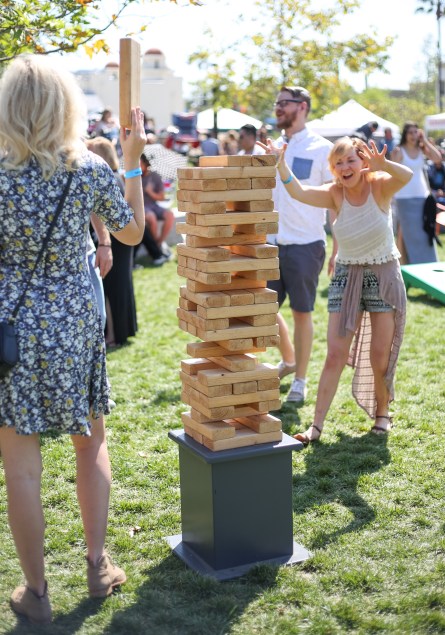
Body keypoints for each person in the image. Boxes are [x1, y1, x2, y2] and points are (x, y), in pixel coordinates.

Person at [0, 55, 146, 624]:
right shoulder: (87, 168)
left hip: (12, 329)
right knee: (90, 443)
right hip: (75, 321)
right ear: (65, 106)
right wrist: (131, 163)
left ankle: (36, 592)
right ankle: (96, 565)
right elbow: (132, 233)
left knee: (21, 468)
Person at [261, 135, 413, 443]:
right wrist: (280, 164)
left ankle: (382, 414)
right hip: (346, 274)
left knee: (379, 356)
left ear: (363, 162)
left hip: (382, 272)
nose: (344, 168)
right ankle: (316, 427)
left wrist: (385, 164)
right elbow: (298, 191)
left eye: (350, 161)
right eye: (338, 163)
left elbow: (407, 176)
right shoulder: (334, 193)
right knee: (334, 355)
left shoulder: (379, 186)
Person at [265, 85, 334, 403]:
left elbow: (335, 200)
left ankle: (300, 380)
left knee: (301, 313)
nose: (278, 107)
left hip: (306, 244)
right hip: (268, 244)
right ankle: (289, 360)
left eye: (285, 103)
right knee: (263, 308)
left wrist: (338, 247)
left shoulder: (323, 148)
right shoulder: (271, 147)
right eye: (277, 102)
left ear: (302, 106)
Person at [86, 137, 138, 347]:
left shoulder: (108, 178)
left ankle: (114, 335)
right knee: (120, 286)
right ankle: (121, 331)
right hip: (118, 239)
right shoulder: (116, 177)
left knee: (113, 288)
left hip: (115, 240)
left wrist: (103, 241)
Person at [391, 122, 442, 264]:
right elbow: (393, 172)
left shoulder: (421, 149)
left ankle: (428, 263)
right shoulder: (399, 151)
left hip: (422, 197)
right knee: (409, 234)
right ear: (405, 134)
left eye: (415, 132)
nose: (413, 135)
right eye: (410, 132)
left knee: (426, 232)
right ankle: (409, 265)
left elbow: (438, 158)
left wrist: (424, 140)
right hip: (403, 198)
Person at [140, 152, 174, 256]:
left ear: (146, 163)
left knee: (170, 215)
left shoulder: (155, 176)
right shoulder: (133, 177)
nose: (138, 167)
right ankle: (156, 246)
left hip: (153, 205)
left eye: (140, 164)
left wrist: (150, 192)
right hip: (141, 207)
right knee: (151, 217)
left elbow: (162, 197)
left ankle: (159, 243)